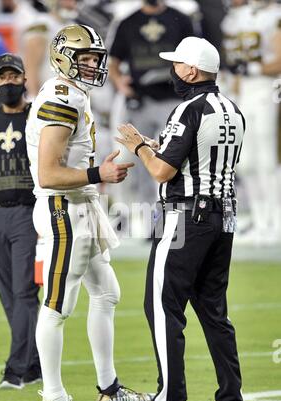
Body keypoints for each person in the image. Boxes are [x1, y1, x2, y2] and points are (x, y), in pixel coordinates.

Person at [26, 24, 152, 401]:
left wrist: (97, 179)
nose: (94, 65)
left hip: (82, 203)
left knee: (107, 292)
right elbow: (48, 173)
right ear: (64, 58)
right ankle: (53, 398)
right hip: (64, 207)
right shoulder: (62, 98)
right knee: (58, 305)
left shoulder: (74, 93)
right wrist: (100, 174)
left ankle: (109, 389)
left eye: (96, 58)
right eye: (86, 59)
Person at [116, 36, 246, 401]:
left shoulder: (188, 108)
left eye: (177, 65)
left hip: (186, 217)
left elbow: (162, 171)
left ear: (191, 70)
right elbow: (203, 158)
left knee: (161, 305)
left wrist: (139, 145)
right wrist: (159, 146)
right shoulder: (233, 109)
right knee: (213, 310)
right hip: (224, 217)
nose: (173, 71)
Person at [107, 0, 194, 237]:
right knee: (141, 164)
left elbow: (194, 59)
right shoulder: (129, 22)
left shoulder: (181, 19)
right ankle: (149, 224)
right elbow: (112, 61)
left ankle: (179, 220)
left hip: (172, 100)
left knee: (175, 161)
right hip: (140, 100)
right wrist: (120, 82)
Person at [0, 53, 41, 389]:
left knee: (24, 293)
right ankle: (33, 364)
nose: (7, 83)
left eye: (13, 78)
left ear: (23, 80)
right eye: (2, 79)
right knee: (9, 296)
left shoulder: (37, 119)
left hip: (28, 213)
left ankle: (15, 370)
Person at [221, 0, 281, 244]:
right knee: (245, 162)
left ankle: (276, 222)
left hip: (268, 89)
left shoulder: (275, 15)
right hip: (242, 91)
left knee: (267, 159)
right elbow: (233, 63)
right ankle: (260, 220)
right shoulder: (233, 19)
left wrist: (255, 69)